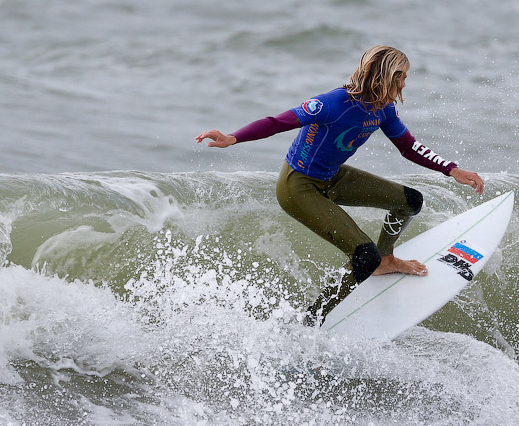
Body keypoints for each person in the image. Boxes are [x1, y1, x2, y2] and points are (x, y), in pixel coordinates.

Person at [196, 45, 484, 322]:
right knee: (362, 256)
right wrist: (233, 137)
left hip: (332, 176)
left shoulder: (383, 109)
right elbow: (277, 122)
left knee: (410, 202)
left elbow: (408, 147)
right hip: (298, 186)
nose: (405, 84)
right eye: (403, 77)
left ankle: (385, 260)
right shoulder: (332, 104)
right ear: (388, 77)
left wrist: (451, 169)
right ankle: (313, 318)